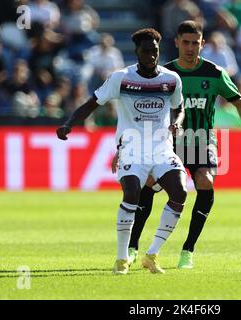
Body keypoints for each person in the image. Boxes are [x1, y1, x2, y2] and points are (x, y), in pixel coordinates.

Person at [116, 20, 241, 269]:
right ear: (176, 43)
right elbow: (143, 112)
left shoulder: (215, 73)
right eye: (185, 42)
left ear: (202, 44)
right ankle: (132, 247)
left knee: (206, 181)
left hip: (201, 140)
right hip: (168, 142)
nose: (190, 47)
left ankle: (188, 250)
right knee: (150, 184)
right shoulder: (164, 74)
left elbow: (240, 102)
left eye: (195, 43)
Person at [57, 28, 187, 275]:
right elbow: (92, 103)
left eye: (155, 51)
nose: (151, 56)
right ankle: (122, 258)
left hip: (161, 147)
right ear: (136, 52)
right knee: (131, 193)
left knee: (179, 192)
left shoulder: (171, 79)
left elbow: (179, 107)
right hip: (131, 148)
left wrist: (177, 122)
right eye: (146, 51)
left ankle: (152, 254)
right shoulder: (121, 78)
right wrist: (69, 124)